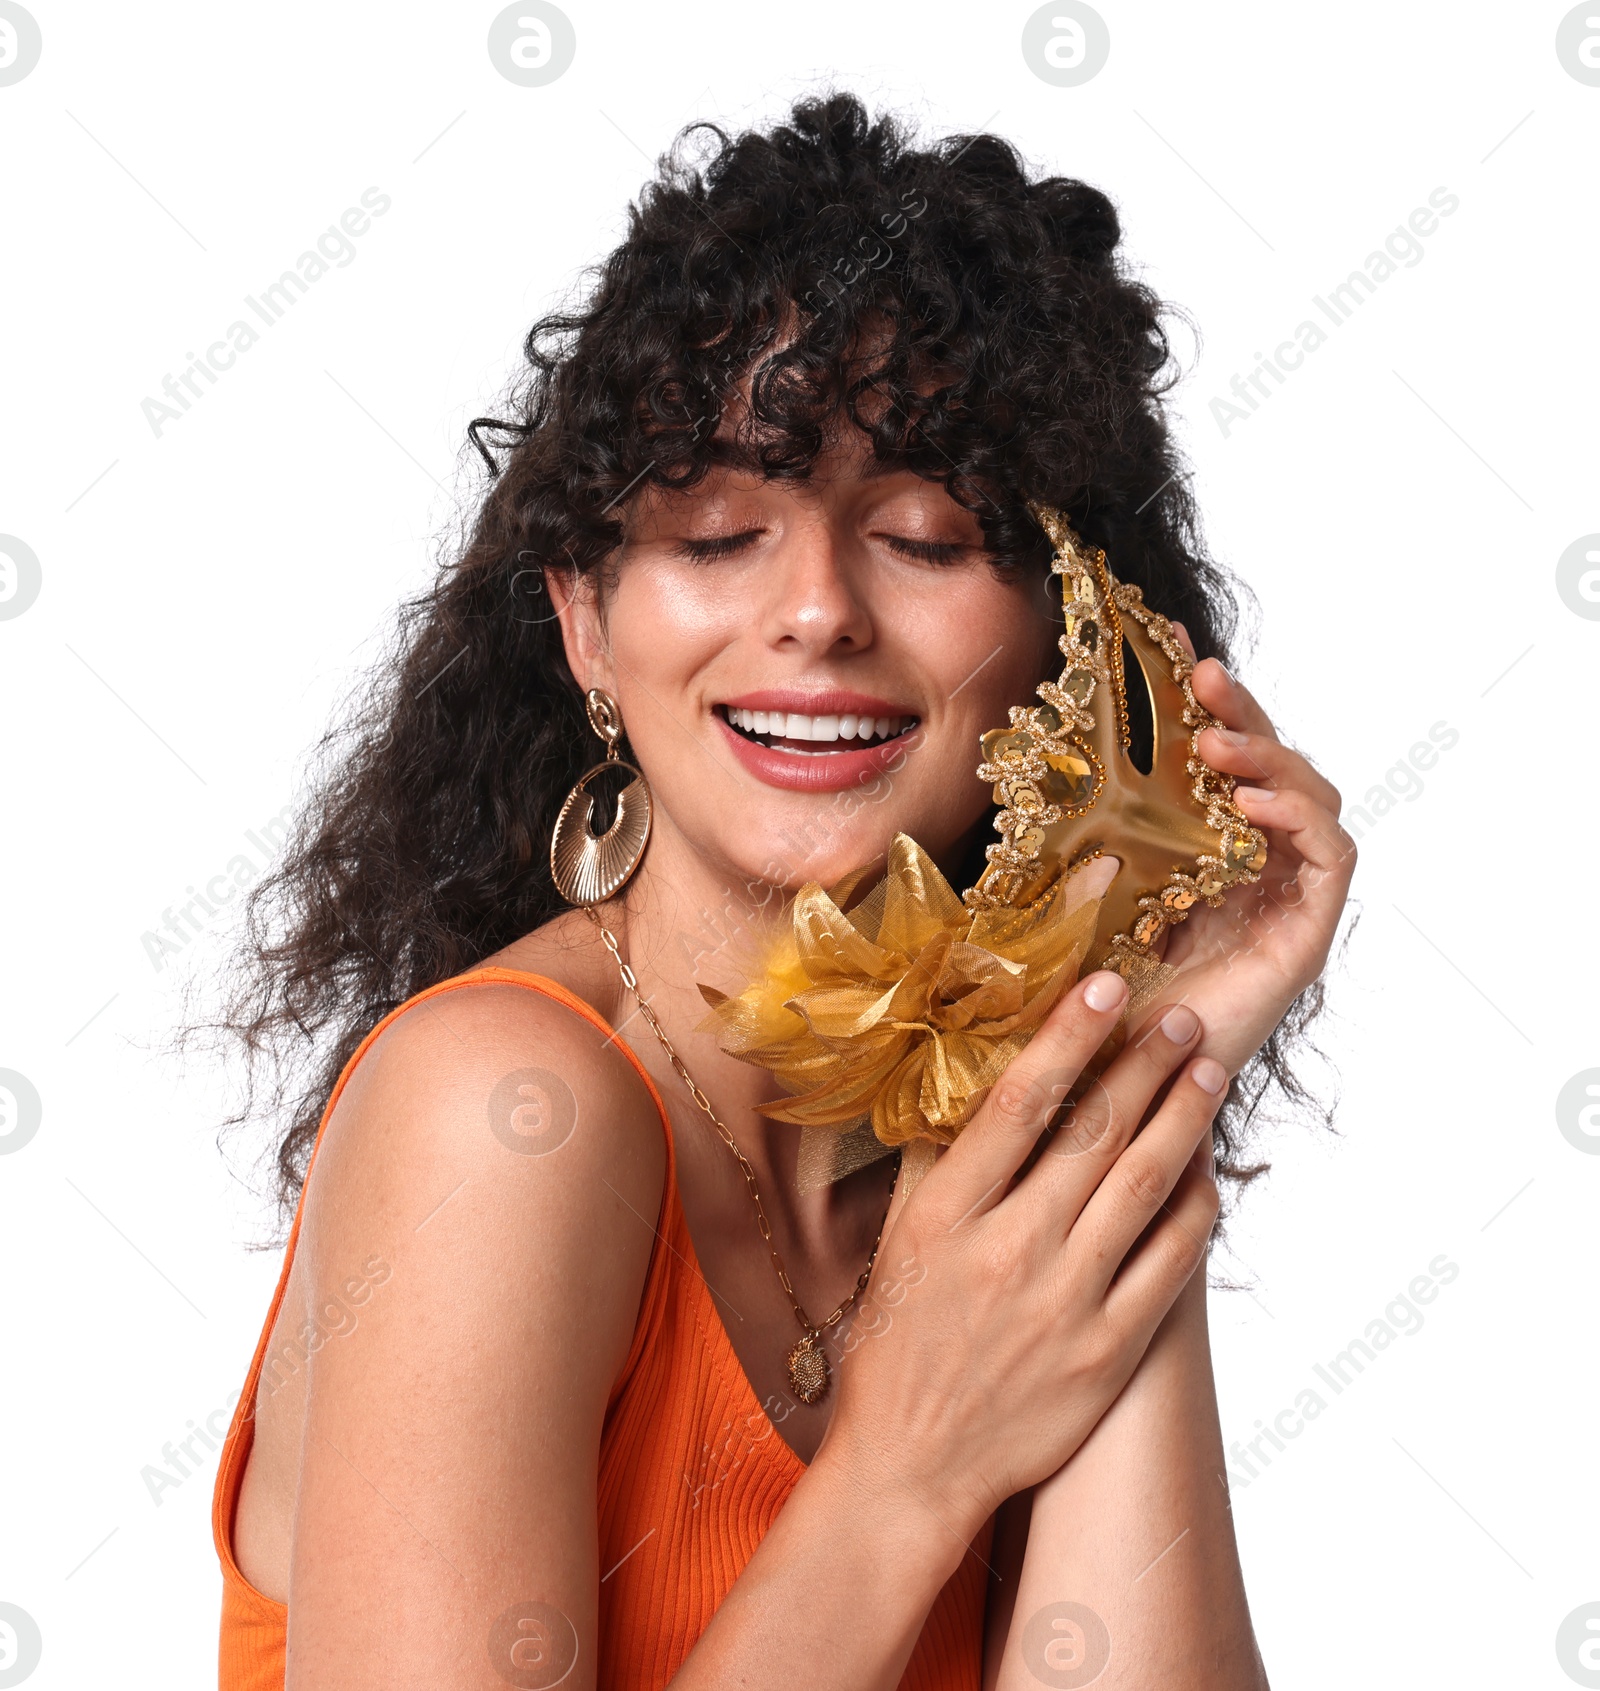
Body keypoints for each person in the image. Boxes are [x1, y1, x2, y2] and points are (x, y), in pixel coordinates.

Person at [209, 93, 1353, 1689]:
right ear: (590, 631)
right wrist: (908, 1472)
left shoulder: (980, 1143)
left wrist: (1134, 1070)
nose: (817, 611)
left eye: (926, 537)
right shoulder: (504, 1115)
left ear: (1075, 642)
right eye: (724, 530)